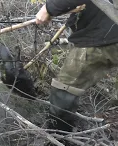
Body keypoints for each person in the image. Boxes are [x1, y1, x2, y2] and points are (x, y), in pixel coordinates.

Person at [35, 0, 118, 132]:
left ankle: (58, 141)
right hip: (108, 29)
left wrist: (49, 8)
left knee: (64, 89)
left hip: (105, 36)